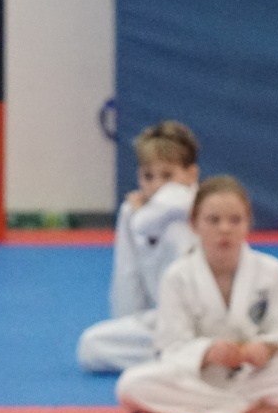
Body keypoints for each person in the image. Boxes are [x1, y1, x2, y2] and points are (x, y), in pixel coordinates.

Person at [115, 175, 278, 413]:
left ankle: (213, 409)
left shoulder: (272, 272)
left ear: (248, 223)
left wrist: (267, 348)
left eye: (235, 220)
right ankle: (257, 411)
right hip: (201, 380)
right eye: (213, 220)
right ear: (194, 224)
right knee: (131, 385)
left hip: (258, 377)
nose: (224, 229)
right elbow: (171, 346)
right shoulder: (177, 276)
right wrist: (207, 352)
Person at [76, 120, 200, 372]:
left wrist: (142, 215)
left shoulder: (198, 206)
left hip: (206, 319)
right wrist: (126, 323)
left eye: (168, 176)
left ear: (191, 174)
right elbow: (127, 275)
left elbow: (174, 201)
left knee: (175, 229)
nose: (157, 185)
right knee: (91, 345)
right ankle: (183, 359)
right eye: (148, 176)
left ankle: (188, 356)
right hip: (164, 322)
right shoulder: (131, 213)